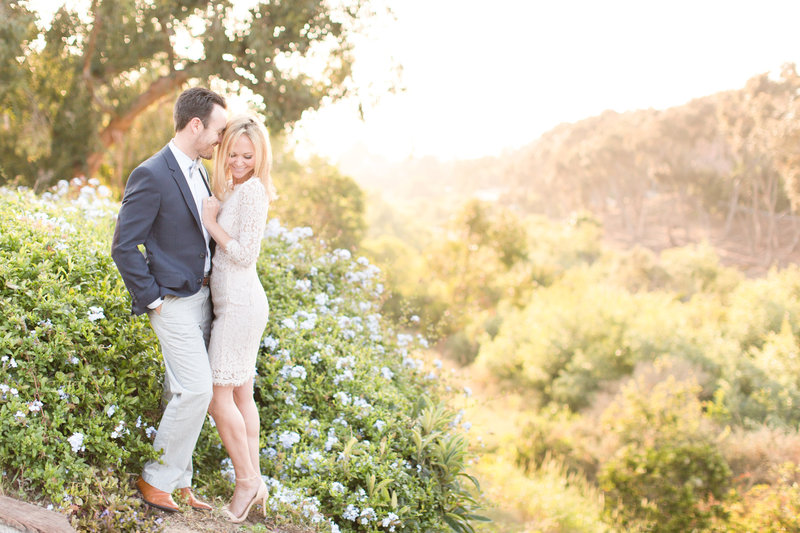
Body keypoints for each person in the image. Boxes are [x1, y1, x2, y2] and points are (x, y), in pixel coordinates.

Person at [111, 87, 227, 513]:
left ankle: (180, 481)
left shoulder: (197, 171)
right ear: (195, 125)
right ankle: (154, 479)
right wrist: (154, 300)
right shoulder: (151, 173)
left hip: (202, 299)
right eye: (217, 131)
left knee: (181, 391)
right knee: (197, 389)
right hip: (172, 303)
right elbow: (124, 246)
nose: (221, 140)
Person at [201, 115, 277, 523]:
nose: (239, 161)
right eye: (232, 153)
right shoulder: (235, 189)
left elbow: (246, 254)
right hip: (234, 303)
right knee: (242, 394)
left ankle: (247, 481)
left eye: (248, 155)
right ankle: (255, 480)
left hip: (240, 306)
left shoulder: (253, 194)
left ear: (260, 155)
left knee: (218, 397)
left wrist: (211, 222)